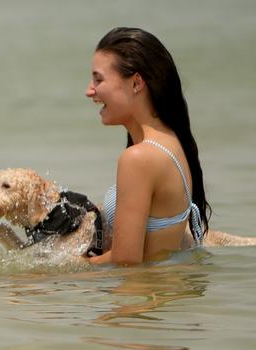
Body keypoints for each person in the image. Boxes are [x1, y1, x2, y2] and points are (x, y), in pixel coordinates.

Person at [85, 27, 210, 265]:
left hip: (139, 298)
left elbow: (126, 261)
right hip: (157, 294)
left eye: (98, 79)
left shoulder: (139, 158)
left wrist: (53, 273)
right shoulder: (171, 141)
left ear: (136, 82)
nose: (89, 90)